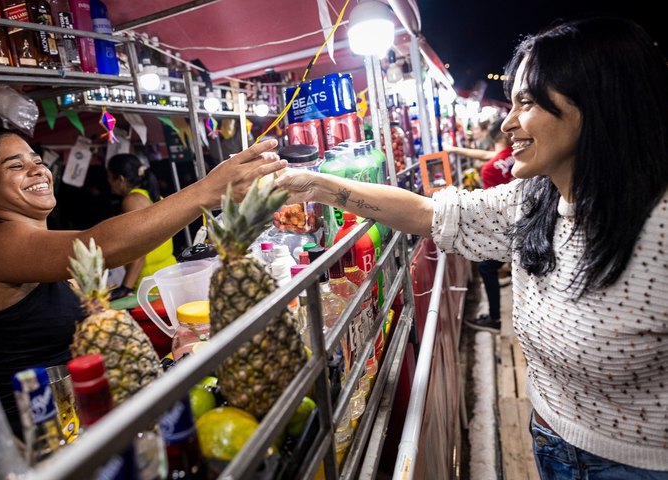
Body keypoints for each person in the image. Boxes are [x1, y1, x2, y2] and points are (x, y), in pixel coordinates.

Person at [276, 16, 668, 478]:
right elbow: (427, 213)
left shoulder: (658, 228)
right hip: (548, 439)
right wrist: (314, 185)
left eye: (526, 102)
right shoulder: (532, 199)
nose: (507, 123)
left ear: (598, 103)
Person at [0, 129, 284, 437]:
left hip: (84, 418)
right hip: (44, 436)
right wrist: (207, 190)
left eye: (37, 160)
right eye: (16, 166)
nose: (37, 170)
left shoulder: (35, 248)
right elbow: (102, 246)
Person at [464, 120, 515, 332]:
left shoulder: (489, 170)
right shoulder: (517, 154)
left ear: (491, 137)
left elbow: (493, 212)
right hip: (527, 221)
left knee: (485, 266)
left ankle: (494, 319)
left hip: (511, 228)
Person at [106, 153, 177, 300]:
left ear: (120, 179)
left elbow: (140, 248)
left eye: (109, 176)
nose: (108, 182)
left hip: (151, 282)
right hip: (169, 273)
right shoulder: (152, 196)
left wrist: (125, 287)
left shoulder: (131, 201)